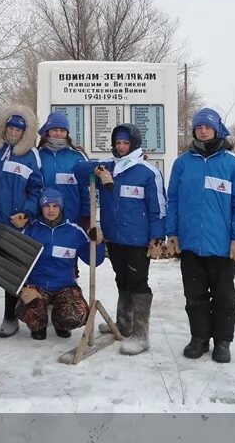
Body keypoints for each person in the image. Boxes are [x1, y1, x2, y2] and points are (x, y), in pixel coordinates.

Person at [165, 107, 235, 363]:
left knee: (225, 296)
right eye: (198, 127)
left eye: (207, 126)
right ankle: (199, 338)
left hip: (222, 245)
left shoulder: (234, 164)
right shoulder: (183, 163)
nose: (203, 130)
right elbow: (173, 200)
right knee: (194, 295)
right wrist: (172, 233)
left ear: (217, 129)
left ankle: (223, 342)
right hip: (191, 243)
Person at [74, 123, 166, 355]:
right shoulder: (109, 166)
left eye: (126, 143)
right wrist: (97, 170)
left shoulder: (147, 171)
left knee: (138, 283)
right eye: (118, 143)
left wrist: (157, 237)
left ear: (134, 144)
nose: (122, 147)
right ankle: (123, 323)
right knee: (121, 280)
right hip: (114, 238)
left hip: (138, 240)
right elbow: (78, 170)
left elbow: (158, 208)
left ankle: (140, 334)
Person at [0, 104, 43, 338]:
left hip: (11, 222)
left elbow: (36, 189)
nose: (14, 133)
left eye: (19, 130)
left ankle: (10, 317)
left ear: (25, 133)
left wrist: (26, 213)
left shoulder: (30, 156)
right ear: (4, 127)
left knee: (8, 271)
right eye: (11, 128)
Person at [16, 188, 105, 340]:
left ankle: (60, 323)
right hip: (37, 287)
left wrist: (98, 242)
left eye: (55, 206)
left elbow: (95, 261)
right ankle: (39, 325)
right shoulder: (31, 230)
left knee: (76, 315)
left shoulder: (74, 232)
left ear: (61, 207)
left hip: (65, 287)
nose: (51, 210)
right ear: (41, 207)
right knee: (28, 307)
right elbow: (17, 260)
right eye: (47, 206)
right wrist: (23, 286)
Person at [36, 112, 89, 226]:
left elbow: (86, 189)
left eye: (62, 130)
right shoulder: (37, 156)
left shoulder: (77, 156)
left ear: (67, 133)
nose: (58, 134)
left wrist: (87, 216)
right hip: (42, 220)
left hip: (72, 219)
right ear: (48, 131)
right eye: (55, 129)